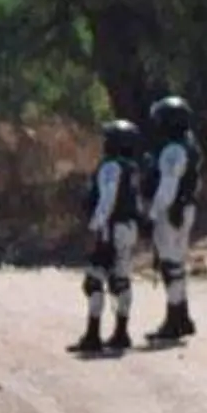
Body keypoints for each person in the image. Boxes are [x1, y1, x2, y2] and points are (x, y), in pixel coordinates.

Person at [68, 120, 146, 354]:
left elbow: (107, 200)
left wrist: (94, 228)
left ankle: (93, 335)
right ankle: (121, 332)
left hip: (110, 230)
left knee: (93, 281)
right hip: (128, 228)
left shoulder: (111, 167)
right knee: (121, 280)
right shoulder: (132, 168)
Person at [141, 95, 202, 343]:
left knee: (170, 265)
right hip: (185, 209)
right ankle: (182, 316)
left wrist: (152, 215)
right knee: (176, 262)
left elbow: (167, 186)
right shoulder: (189, 145)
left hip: (171, 211)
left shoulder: (172, 150)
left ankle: (174, 318)